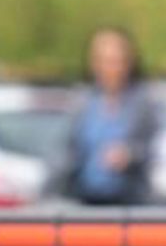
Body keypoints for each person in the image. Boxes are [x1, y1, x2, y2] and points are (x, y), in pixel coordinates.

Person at [62, 27, 158, 206]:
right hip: (85, 199)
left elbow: (155, 149)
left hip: (130, 201)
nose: (110, 68)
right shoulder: (83, 101)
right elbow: (68, 150)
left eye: (116, 61)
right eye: (104, 61)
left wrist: (130, 155)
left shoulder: (143, 103)